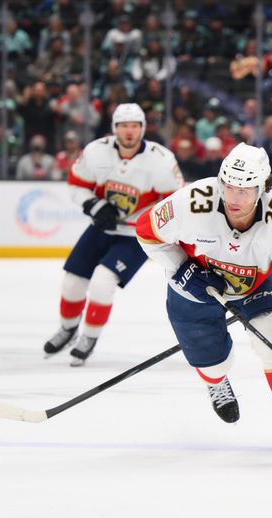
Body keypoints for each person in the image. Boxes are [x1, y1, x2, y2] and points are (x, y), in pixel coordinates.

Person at [134, 142, 272, 463]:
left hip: (256, 286)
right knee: (209, 360)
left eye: (245, 191)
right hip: (193, 285)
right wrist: (180, 267)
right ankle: (216, 381)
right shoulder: (192, 201)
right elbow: (147, 230)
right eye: (228, 187)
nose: (234, 198)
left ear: (262, 188)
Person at [42, 103, 183, 366]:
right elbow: (77, 185)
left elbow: (176, 200)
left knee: (102, 283)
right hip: (103, 226)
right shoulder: (96, 151)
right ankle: (68, 328)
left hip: (136, 236)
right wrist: (94, 205)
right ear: (114, 128)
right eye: (124, 126)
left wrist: (153, 223)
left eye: (134, 126)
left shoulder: (161, 159)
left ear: (143, 128)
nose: (129, 131)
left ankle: (89, 337)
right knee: (72, 282)